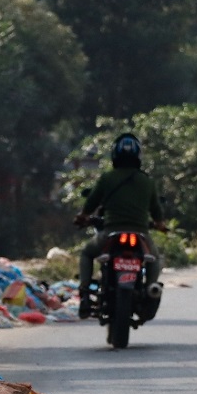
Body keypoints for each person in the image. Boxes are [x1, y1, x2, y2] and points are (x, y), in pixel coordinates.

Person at [74, 133, 167, 319]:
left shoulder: (107, 178)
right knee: (154, 258)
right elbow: (156, 210)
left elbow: (91, 202)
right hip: (140, 233)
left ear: (114, 155)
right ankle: (150, 288)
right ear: (138, 156)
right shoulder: (147, 181)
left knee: (87, 252)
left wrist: (83, 217)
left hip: (110, 232)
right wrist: (160, 225)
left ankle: (85, 292)